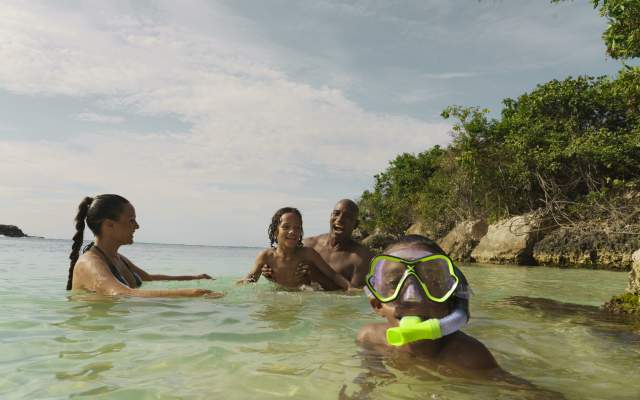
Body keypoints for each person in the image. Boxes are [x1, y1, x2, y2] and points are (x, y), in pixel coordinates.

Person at [357, 234, 503, 377]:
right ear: (377, 305)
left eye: (432, 281)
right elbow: (368, 374)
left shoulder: (469, 358)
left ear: (451, 301)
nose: (413, 297)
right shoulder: (371, 339)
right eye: (395, 282)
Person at [67, 194, 223, 298]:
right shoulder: (89, 264)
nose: (137, 226)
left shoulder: (117, 258)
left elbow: (148, 278)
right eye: (131, 220)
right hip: (96, 341)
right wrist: (193, 293)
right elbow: (121, 293)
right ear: (109, 225)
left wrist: (195, 278)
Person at [262, 199, 372, 289]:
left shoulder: (361, 258)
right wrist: (272, 272)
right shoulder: (308, 244)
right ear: (330, 216)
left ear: (356, 224)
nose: (340, 219)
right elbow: (283, 262)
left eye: (347, 216)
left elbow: (354, 296)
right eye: (336, 214)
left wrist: (317, 276)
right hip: (305, 311)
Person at [238, 207, 351, 290]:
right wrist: (227, 292)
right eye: (286, 227)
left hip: (302, 295)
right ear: (276, 231)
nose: (292, 231)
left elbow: (333, 274)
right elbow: (249, 280)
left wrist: (350, 287)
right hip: (278, 295)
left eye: (297, 228)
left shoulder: (307, 253)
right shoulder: (266, 256)